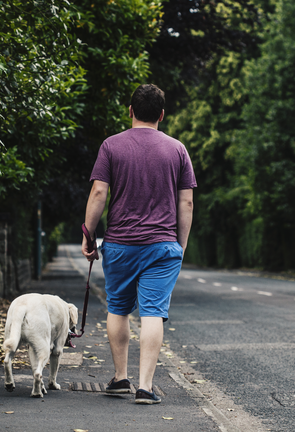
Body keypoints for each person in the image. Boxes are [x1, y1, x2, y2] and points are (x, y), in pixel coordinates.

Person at [81, 84, 196, 404]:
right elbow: (186, 204)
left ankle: (120, 378)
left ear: (130, 111)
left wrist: (89, 236)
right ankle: (145, 387)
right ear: (161, 114)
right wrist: (180, 246)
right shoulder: (177, 150)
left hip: (119, 245)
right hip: (162, 246)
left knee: (118, 308)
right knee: (153, 313)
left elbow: (99, 194)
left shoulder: (111, 146)